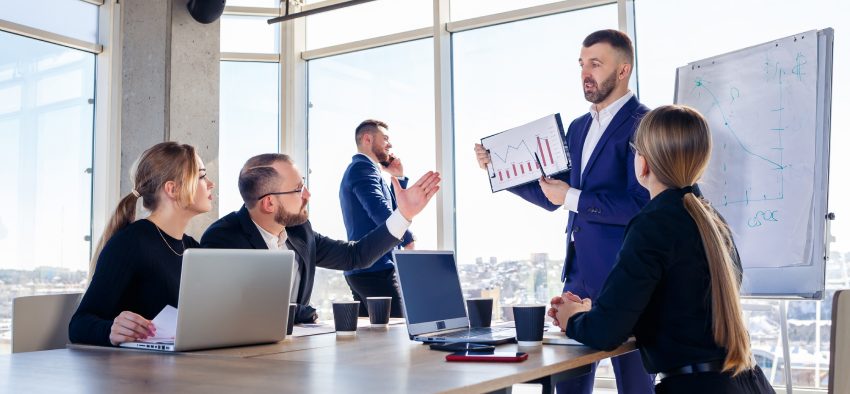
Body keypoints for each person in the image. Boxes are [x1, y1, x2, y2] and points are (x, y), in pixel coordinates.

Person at [474, 29, 653, 393]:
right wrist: (500, 170)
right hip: (578, 283)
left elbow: (641, 204)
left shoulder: (646, 123)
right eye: (582, 64)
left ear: (623, 71)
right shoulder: (578, 127)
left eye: (596, 64)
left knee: (636, 389)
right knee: (569, 389)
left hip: (627, 281)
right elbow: (550, 196)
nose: (586, 73)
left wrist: (570, 196)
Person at [550, 105, 774, 393]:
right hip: (747, 384)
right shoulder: (712, 221)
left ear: (642, 164)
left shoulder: (652, 224)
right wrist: (595, 312)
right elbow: (679, 308)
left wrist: (572, 318)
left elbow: (606, 333)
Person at [200, 153, 440, 323]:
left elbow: (354, 256)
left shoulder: (299, 231)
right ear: (269, 202)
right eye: (297, 189)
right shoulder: (223, 239)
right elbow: (229, 313)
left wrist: (404, 214)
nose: (307, 194)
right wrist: (301, 313)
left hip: (296, 355)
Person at [69, 142, 216, 346]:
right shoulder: (130, 244)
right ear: (173, 189)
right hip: (138, 373)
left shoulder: (191, 247)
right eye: (201, 176)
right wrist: (112, 330)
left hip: (184, 365)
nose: (210, 184)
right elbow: (79, 325)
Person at [339, 119, 414, 318]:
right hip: (375, 268)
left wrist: (398, 178)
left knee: (371, 338)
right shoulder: (362, 168)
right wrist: (407, 237)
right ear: (367, 139)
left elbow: (393, 211)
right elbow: (378, 209)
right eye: (385, 139)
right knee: (398, 332)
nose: (390, 145)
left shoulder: (369, 170)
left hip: (368, 269)